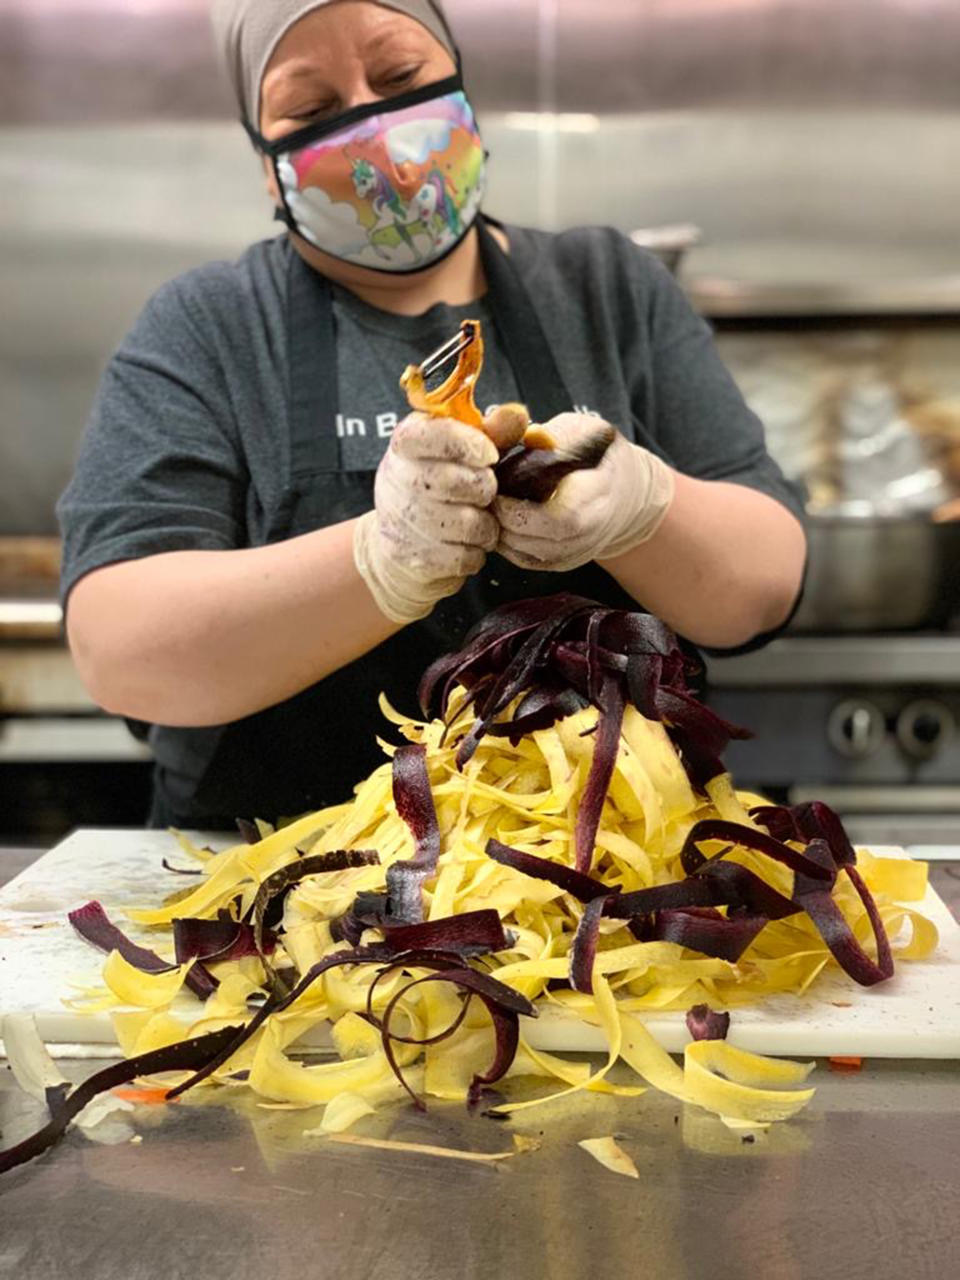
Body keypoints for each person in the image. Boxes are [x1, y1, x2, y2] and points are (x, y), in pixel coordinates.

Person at [57, 0, 806, 830]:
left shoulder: (609, 289)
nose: (376, 127)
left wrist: (645, 510)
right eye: (312, 109)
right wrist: (382, 561)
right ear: (269, 166)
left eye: (402, 78)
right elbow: (118, 648)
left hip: (604, 892)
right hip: (269, 901)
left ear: (461, 89)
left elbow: (763, 588)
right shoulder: (210, 327)